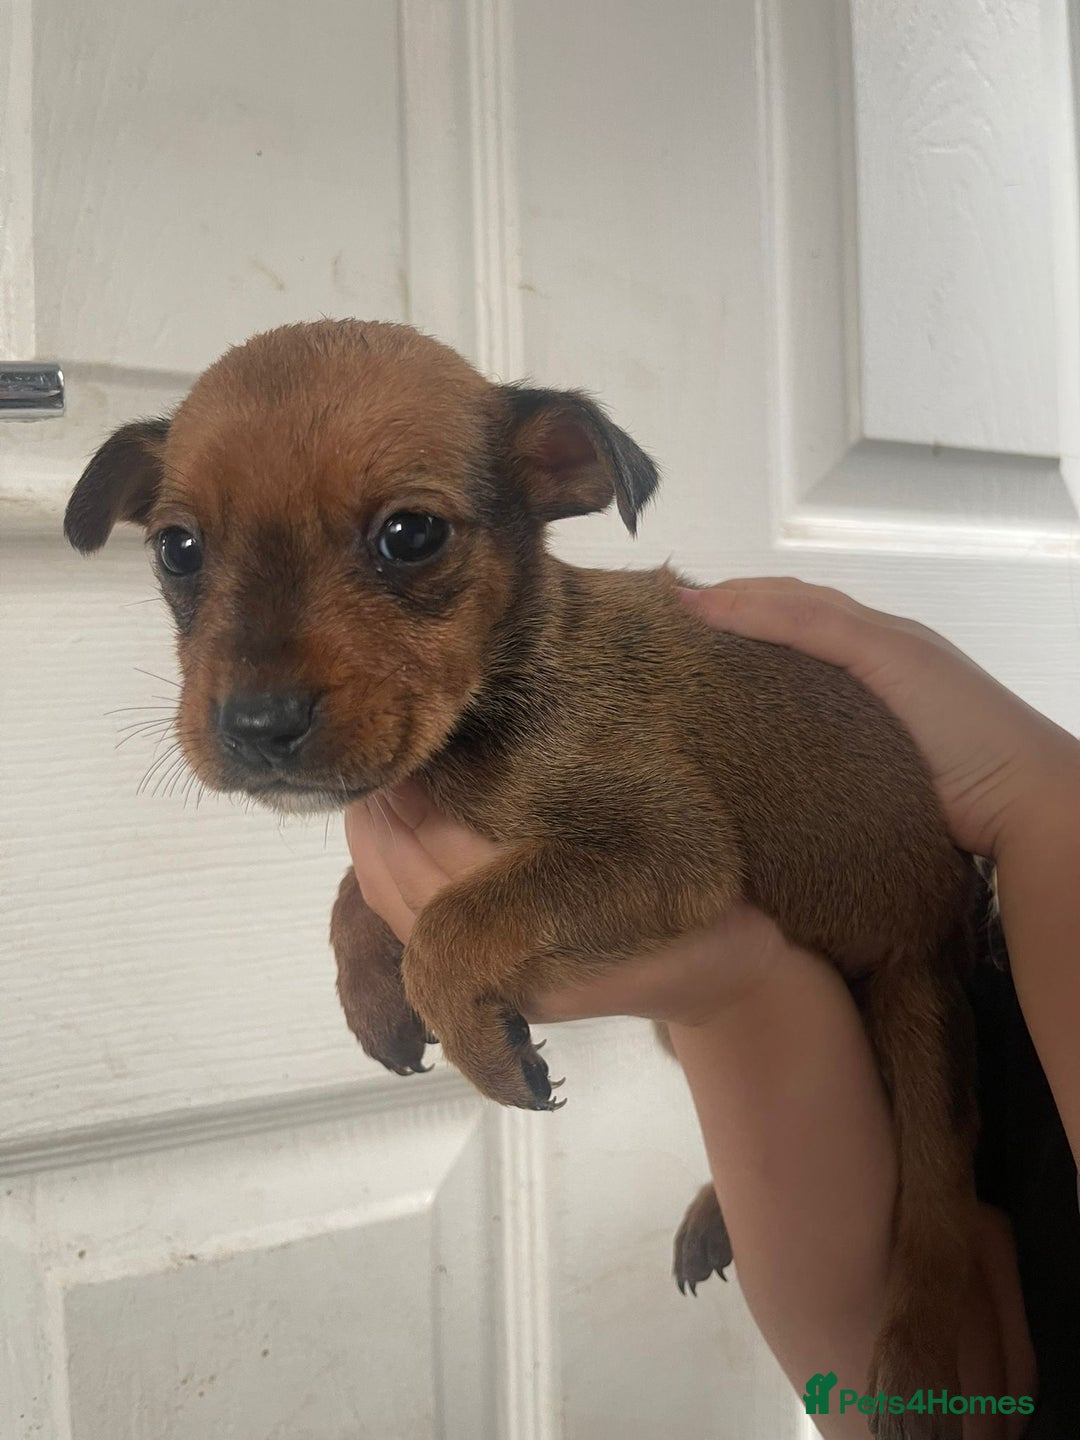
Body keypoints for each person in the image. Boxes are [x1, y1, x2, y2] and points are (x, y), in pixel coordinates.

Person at [345, 578, 1080, 1440]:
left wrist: (1032, 793)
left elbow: (934, 1398)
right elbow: (927, 1400)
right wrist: (1030, 789)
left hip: (906, 970)